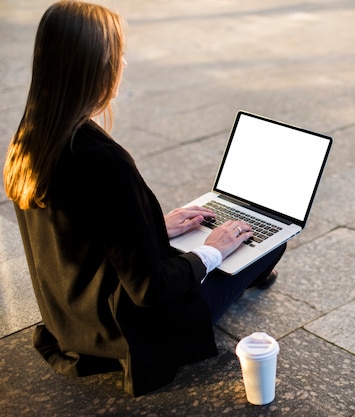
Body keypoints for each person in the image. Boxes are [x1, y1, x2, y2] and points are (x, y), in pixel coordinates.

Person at [3, 1, 285, 397]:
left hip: (69, 316)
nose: (124, 65)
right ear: (100, 67)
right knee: (271, 245)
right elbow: (148, 290)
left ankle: (230, 259)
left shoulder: (31, 137)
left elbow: (82, 233)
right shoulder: (105, 162)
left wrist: (154, 226)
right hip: (125, 330)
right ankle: (247, 266)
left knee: (214, 243)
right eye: (119, 55)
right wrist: (212, 252)